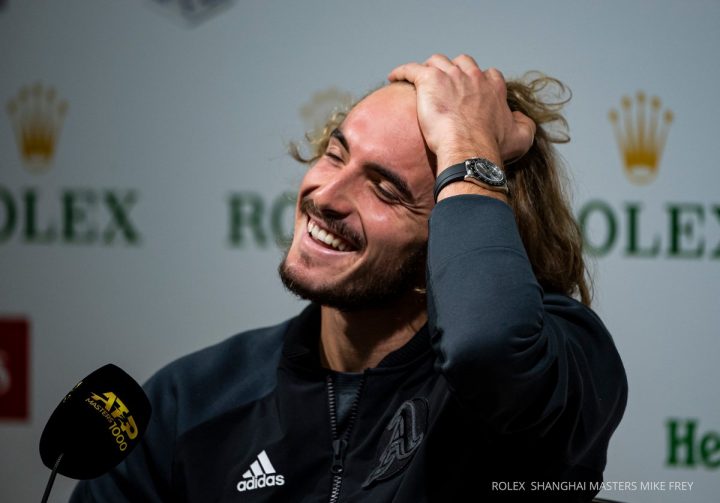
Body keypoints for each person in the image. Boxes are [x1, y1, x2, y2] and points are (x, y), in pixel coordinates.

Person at [71, 54, 627, 502]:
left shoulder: (557, 367)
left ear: (458, 223)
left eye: (385, 189)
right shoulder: (191, 400)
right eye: (336, 155)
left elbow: (486, 345)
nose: (327, 196)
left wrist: (467, 146)